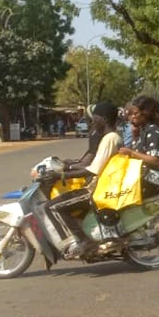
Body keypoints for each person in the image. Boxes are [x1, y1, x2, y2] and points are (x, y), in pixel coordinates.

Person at [46, 102, 122, 258]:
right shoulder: (111, 137)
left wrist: (62, 175)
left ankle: (84, 241)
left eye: (95, 118)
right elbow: (89, 162)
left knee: (53, 206)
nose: (93, 122)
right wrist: (70, 166)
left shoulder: (109, 139)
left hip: (95, 190)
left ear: (104, 119)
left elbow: (92, 170)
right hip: (99, 186)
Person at [120, 96, 159, 198]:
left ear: (146, 113)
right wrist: (135, 135)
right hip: (143, 180)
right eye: (131, 114)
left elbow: (157, 160)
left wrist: (131, 153)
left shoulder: (153, 131)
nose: (132, 117)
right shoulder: (143, 130)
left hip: (153, 182)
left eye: (135, 113)